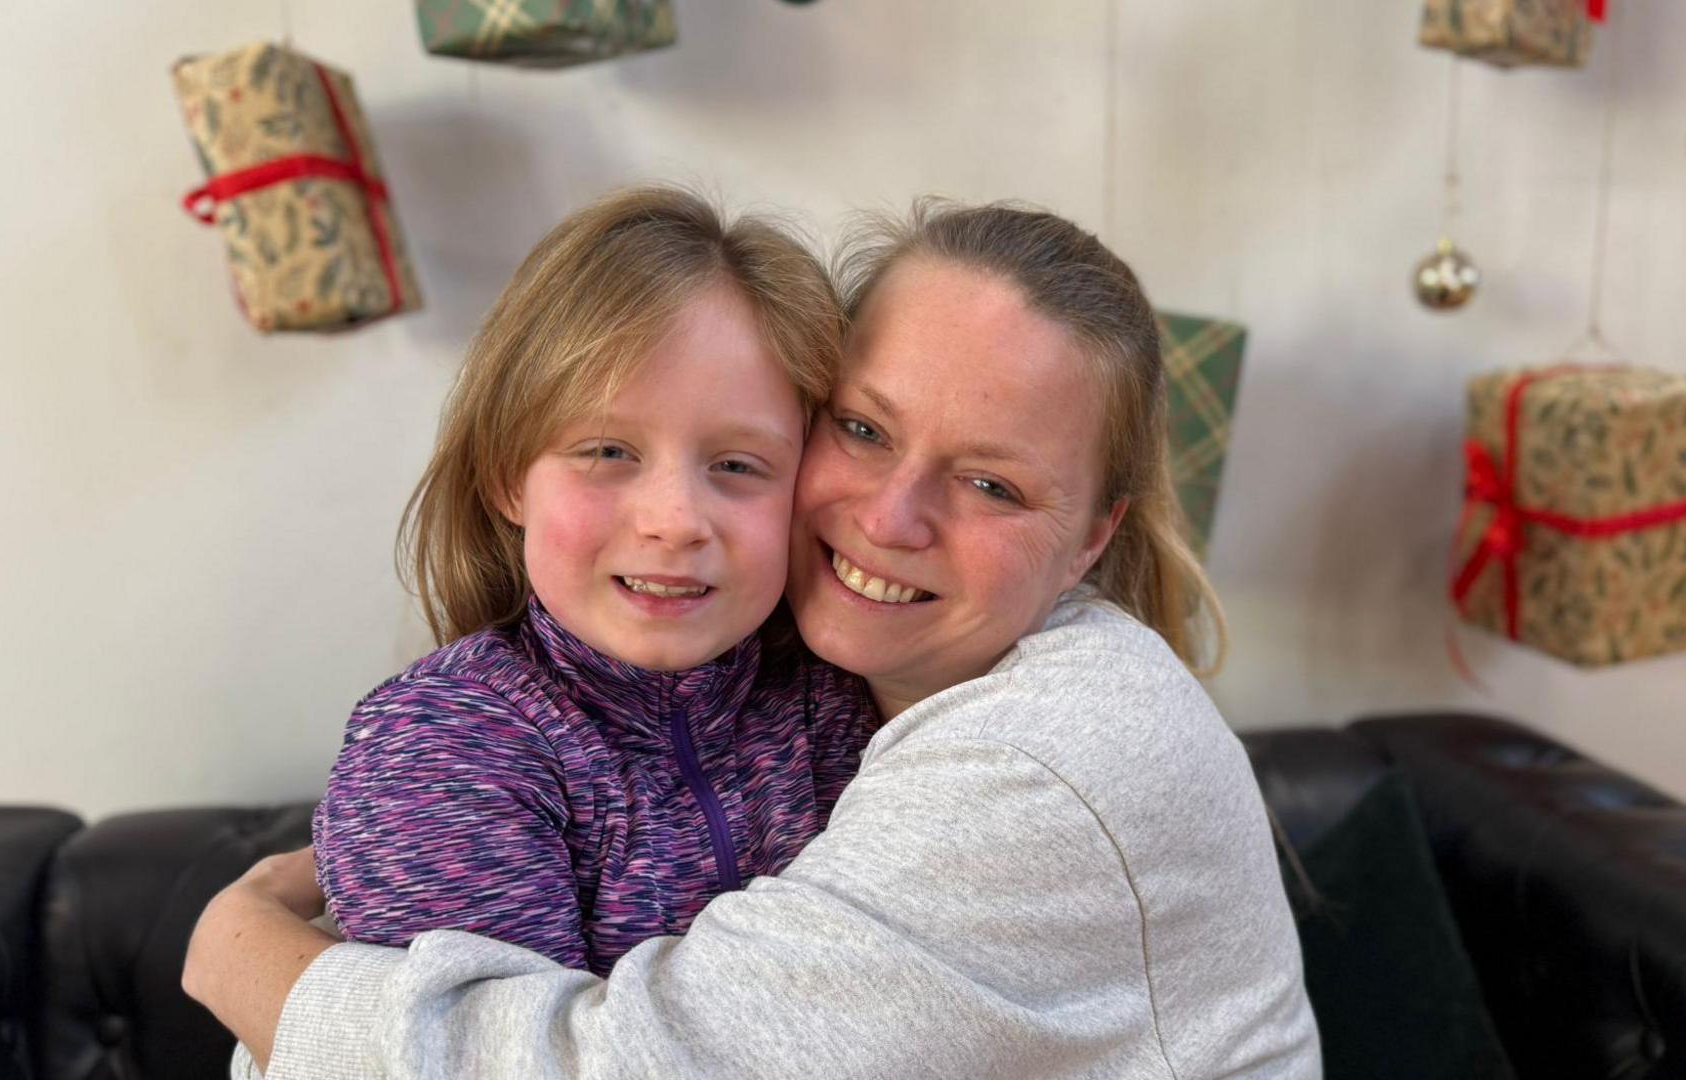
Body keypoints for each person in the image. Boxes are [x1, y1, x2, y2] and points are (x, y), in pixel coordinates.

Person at [186, 199, 1322, 1079]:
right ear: (505, 471)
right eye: (866, 430)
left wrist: (241, 957)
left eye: (991, 482)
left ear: (1093, 539)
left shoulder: (1043, 750)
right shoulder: (456, 743)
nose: (889, 520)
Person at [306, 185, 879, 979]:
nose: (676, 520)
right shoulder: (442, 748)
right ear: (509, 477)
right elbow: (492, 1056)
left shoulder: (846, 705)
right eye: (608, 451)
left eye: (739, 465)